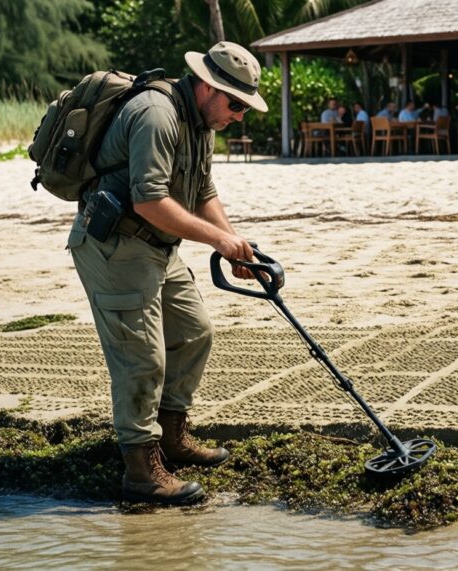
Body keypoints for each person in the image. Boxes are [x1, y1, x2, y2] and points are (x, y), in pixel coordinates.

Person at [67, 41, 266, 506]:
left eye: (244, 107)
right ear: (207, 87)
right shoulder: (156, 114)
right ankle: (141, 470)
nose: (239, 116)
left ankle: (172, 437)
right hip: (115, 245)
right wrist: (217, 241)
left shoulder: (203, 123)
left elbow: (203, 191)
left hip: (158, 245)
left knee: (195, 333)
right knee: (142, 358)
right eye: (235, 105)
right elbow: (150, 202)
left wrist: (236, 244)